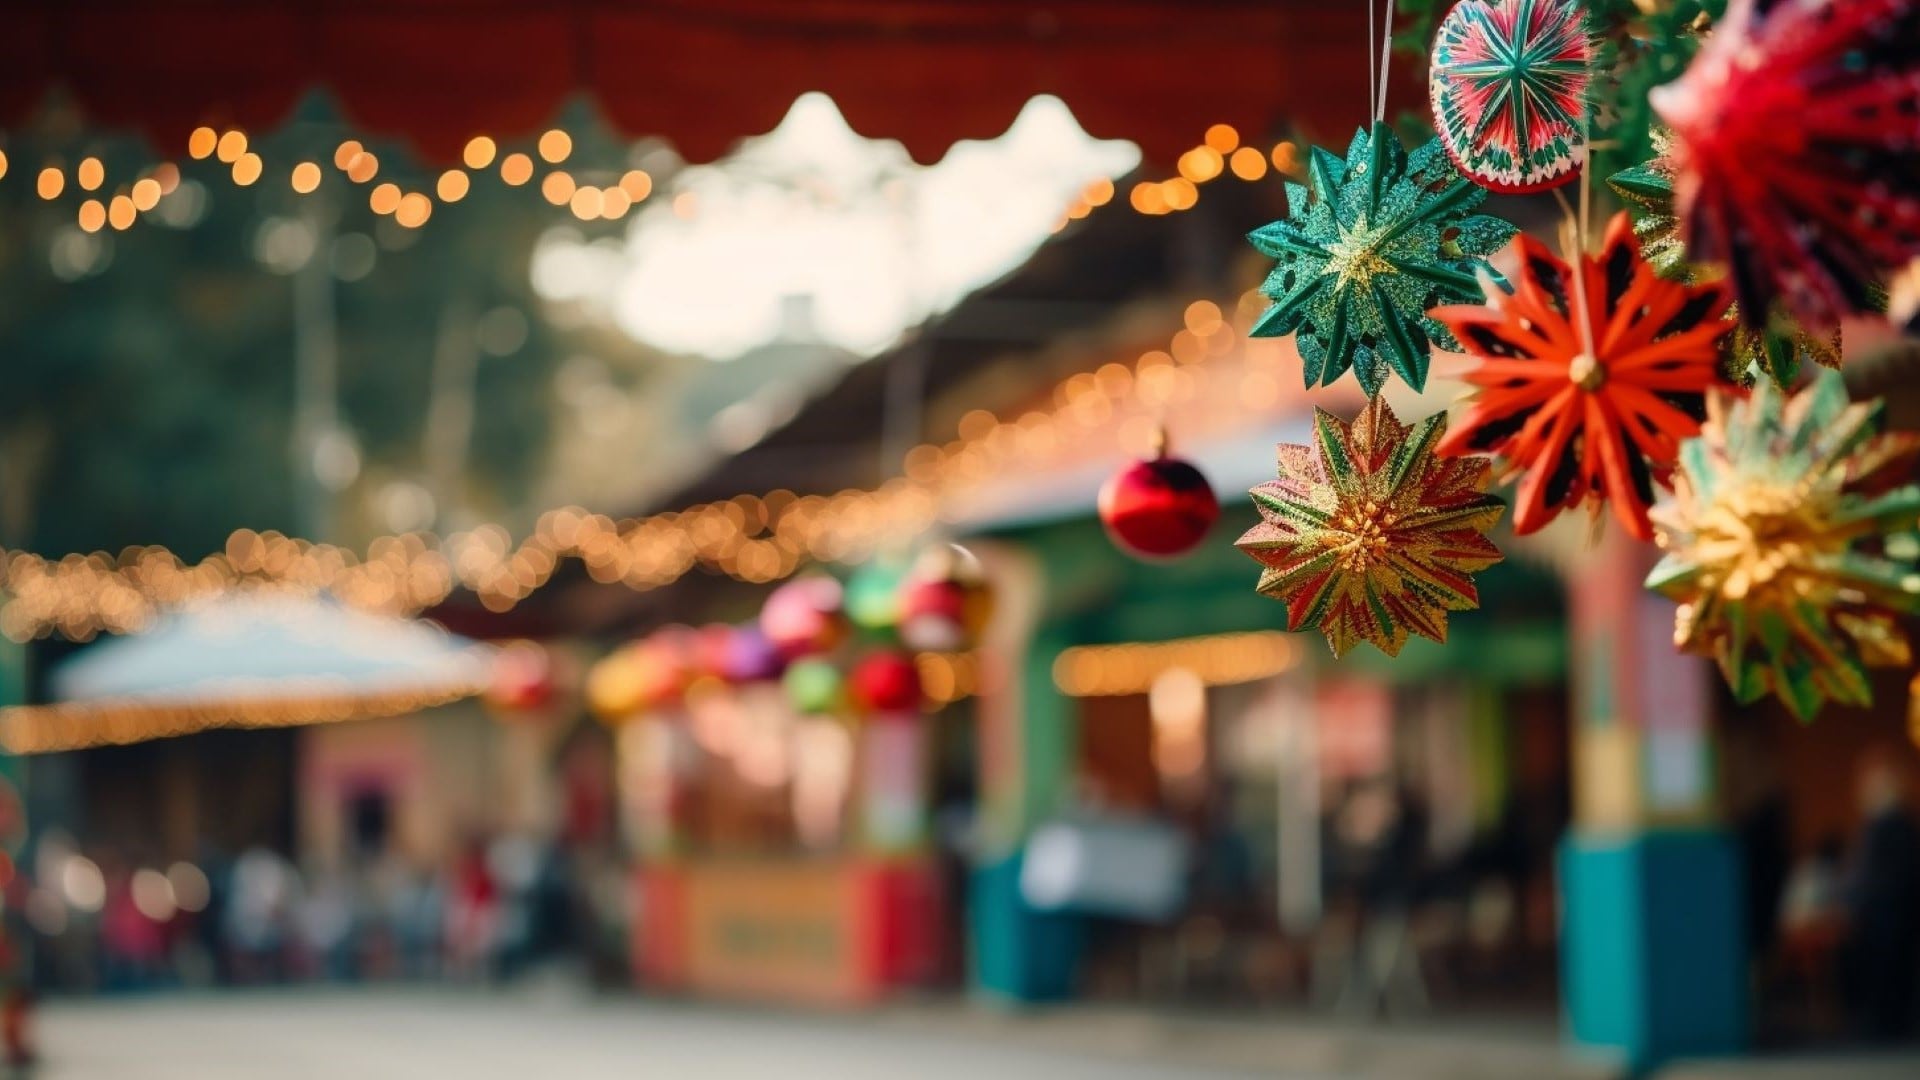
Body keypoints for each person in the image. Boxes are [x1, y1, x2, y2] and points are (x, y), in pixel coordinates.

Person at [1839, 752, 1920, 1041]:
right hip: (1877, 913)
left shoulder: (1897, 825)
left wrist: (1860, 894)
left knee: (1891, 972)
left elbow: (1893, 875)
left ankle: (1889, 1024)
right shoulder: (1876, 825)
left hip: (1891, 914)